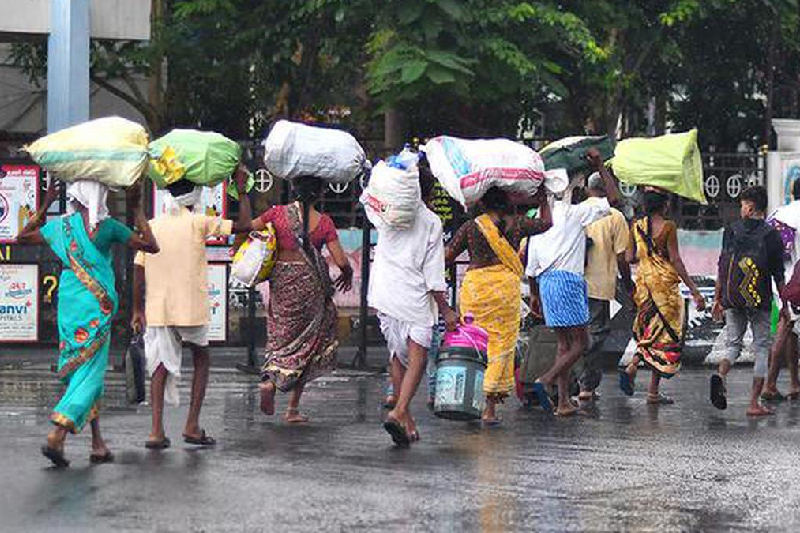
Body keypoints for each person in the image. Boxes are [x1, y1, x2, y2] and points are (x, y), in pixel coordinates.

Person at [18, 179, 159, 467]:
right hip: (96, 307)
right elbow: (150, 246)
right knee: (92, 373)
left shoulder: (62, 226)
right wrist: (138, 210)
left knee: (80, 371)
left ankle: (97, 444)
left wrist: (45, 202)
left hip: (70, 305)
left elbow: (23, 236)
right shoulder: (109, 228)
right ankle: (58, 431)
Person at [132, 167, 251, 449]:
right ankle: (192, 425)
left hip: (159, 307)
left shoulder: (153, 225)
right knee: (201, 359)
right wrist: (242, 190)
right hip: (190, 306)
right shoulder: (199, 221)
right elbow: (245, 226)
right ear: (194, 197)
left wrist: (137, 309)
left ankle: (156, 431)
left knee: (159, 366)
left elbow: (138, 268)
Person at [370, 158, 458, 446]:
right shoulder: (431, 221)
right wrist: (446, 309)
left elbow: (368, 201)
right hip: (414, 296)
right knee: (417, 356)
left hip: (384, 292)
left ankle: (406, 419)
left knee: (397, 354)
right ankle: (398, 411)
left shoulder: (386, 213)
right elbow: (433, 274)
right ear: (429, 195)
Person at [446, 187, 552, 424]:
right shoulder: (517, 224)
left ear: (483, 203)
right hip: (505, 290)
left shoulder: (472, 227)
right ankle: (489, 410)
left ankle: (472, 399)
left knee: (477, 343)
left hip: (477, 291)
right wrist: (543, 199)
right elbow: (546, 223)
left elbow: (448, 255)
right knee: (500, 346)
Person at [526, 149, 620, 416]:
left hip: (545, 283)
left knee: (564, 345)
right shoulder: (574, 213)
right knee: (581, 344)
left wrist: (534, 295)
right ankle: (546, 379)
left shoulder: (539, 220)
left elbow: (531, 264)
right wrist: (601, 166)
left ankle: (563, 401)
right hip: (567, 281)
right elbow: (613, 199)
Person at [252, 176, 353, 423]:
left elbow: (251, 228)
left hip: (283, 282)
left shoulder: (276, 214)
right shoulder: (324, 222)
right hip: (311, 287)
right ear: (318, 195)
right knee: (308, 344)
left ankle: (269, 382)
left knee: (279, 337)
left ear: (294, 191)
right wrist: (347, 274)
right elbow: (340, 261)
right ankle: (293, 410)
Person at [619, 187, 705, 405]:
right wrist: (694, 289)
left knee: (650, 331)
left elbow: (629, 257)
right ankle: (651, 390)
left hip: (644, 286)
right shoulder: (668, 227)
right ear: (663, 206)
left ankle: (635, 368)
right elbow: (675, 260)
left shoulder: (636, 226)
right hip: (665, 288)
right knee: (664, 335)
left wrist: (645, 251)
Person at [710, 185, 787, 416]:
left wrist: (718, 298)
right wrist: (784, 304)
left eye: (742, 204)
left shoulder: (732, 230)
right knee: (762, 347)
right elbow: (778, 273)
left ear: (751, 207)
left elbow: (723, 266)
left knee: (733, 345)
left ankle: (721, 375)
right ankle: (754, 403)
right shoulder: (771, 235)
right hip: (759, 299)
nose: (741, 208)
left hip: (733, 298)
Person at [577, 172, 632, 404]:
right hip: (599, 284)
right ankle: (586, 386)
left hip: (573, 282)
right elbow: (622, 256)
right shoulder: (614, 216)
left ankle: (574, 382)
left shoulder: (576, 211)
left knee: (574, 333)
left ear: (588, 188)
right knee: (596, 333)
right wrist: (628, 282)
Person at [763, 179, 800, 401]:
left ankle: (794, 383)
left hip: (781, 281)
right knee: (785, 329)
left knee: (789, 331)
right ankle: (769, 384)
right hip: (798, 281)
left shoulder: (779, 213)